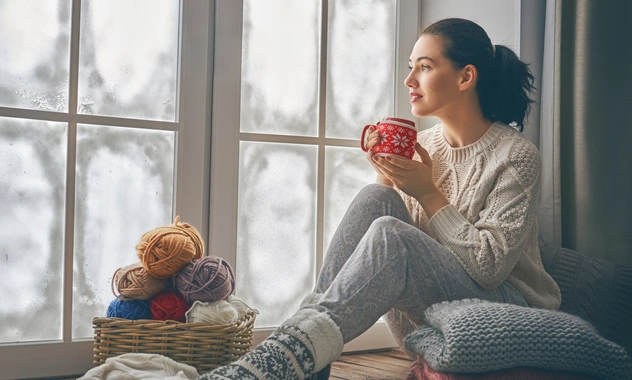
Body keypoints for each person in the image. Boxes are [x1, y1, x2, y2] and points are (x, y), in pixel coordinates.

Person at [201, 18, 561, 380]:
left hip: (507, 317)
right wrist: (386, 174)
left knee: (392, 234)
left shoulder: (516, 156)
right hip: (431, 319)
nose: (409, 80)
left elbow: (489, 267)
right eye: (410, 67)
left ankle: (279, 357)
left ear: (466, 77)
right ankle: (299, 355)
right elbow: (398, 238)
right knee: (376, 197)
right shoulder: (428, 145)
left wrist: (428, 193)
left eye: (425, 67)